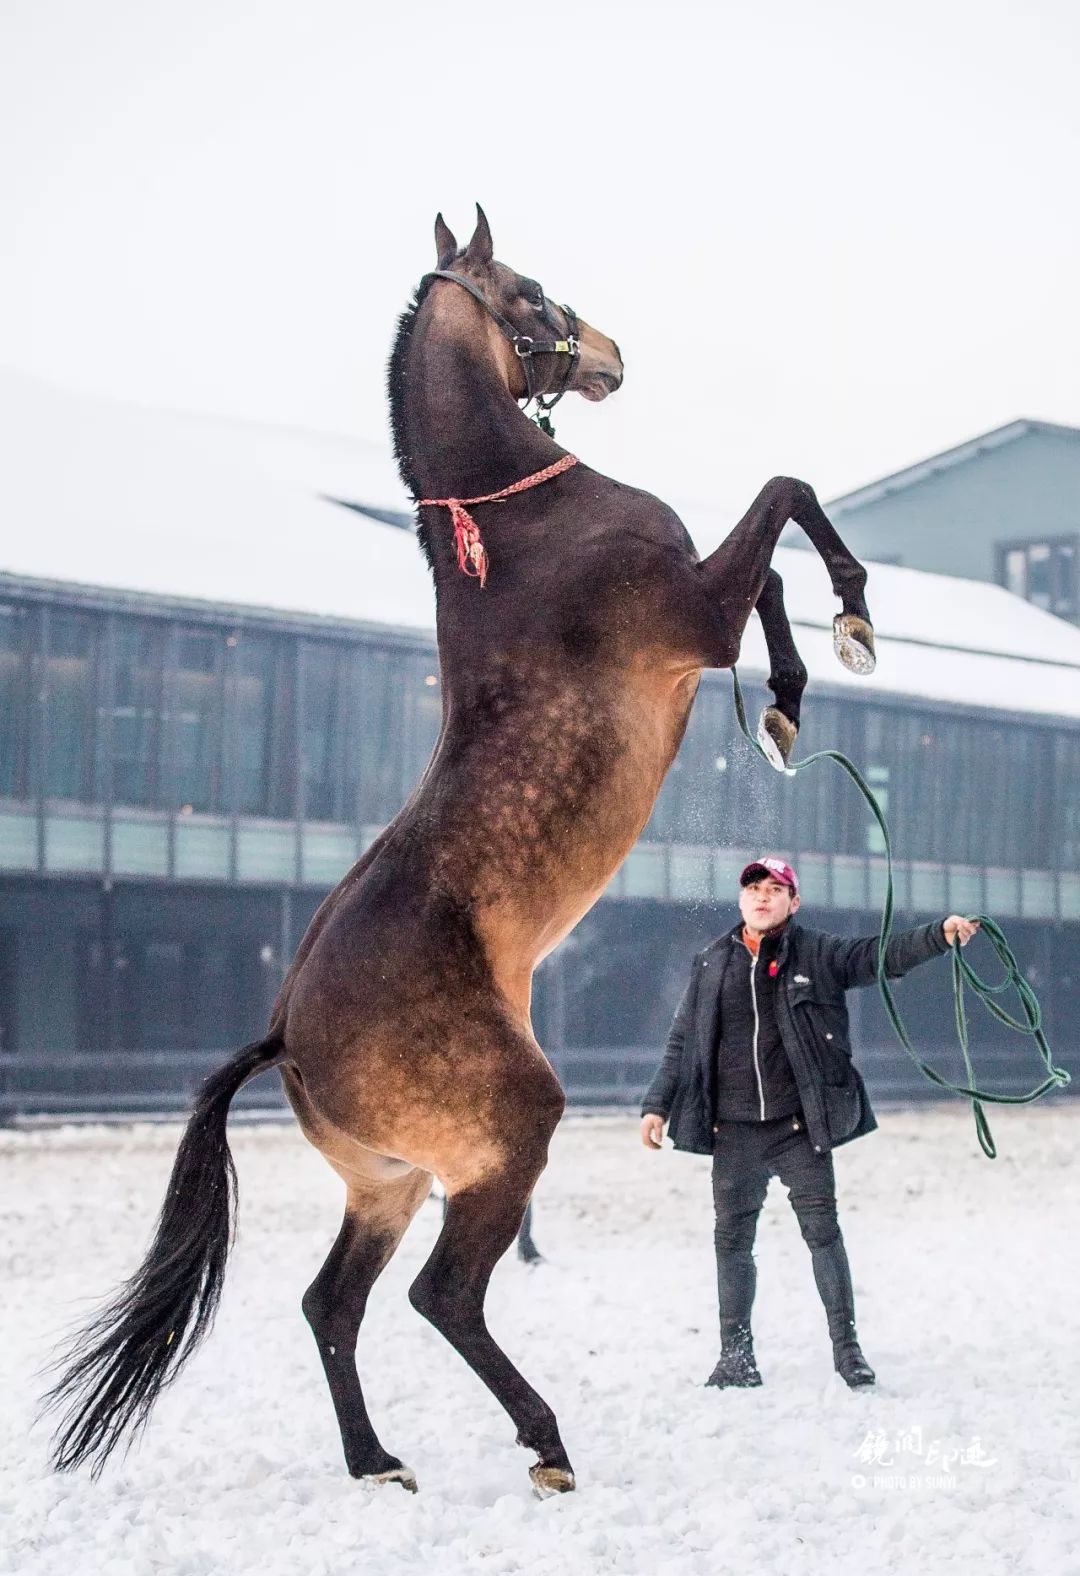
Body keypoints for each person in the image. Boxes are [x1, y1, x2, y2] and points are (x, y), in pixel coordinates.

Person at [639, 856, 980, 1390]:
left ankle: (848, 1354)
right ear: (741, 900)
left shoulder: (819, 952)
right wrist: (656, 1104)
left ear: (792, 903)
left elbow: (878, 956)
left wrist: (938, 936)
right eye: (754, 887)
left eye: (776, 889)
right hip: (733, 1131)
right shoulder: (709, 963)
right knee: (731, 1243)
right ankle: (736, 1357)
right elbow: (682, 1042)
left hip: (798, 1128)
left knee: (824, 1236)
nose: (762, 896)